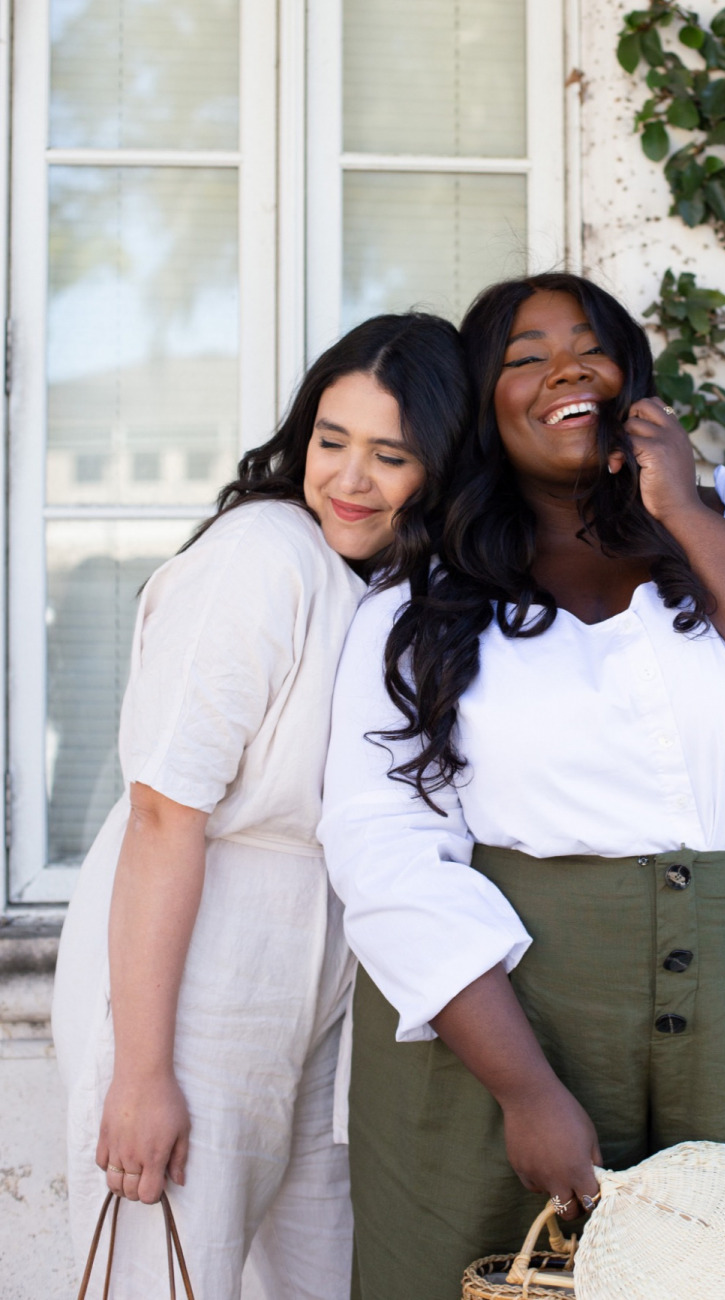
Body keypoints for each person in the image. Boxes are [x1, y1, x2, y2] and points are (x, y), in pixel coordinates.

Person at [320, 273, 725, 1300]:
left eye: (588, 343)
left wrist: (682, 507)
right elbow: (386, 851)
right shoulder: (422, 601)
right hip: (512, 1020)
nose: (564, 368)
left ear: (631, 374)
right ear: (480, 400)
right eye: (522, 355)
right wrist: (525, 1089)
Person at [52, 312, 471, 1300]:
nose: (348, 479)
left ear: (444, 469)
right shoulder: (263, 553)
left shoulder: (395, 584)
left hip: (325, 969)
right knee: (160, 1273)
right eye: (331, 442)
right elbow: (165, 811)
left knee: (325, 1274)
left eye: (390, 455)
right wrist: (143, 1071)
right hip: (198, 957)